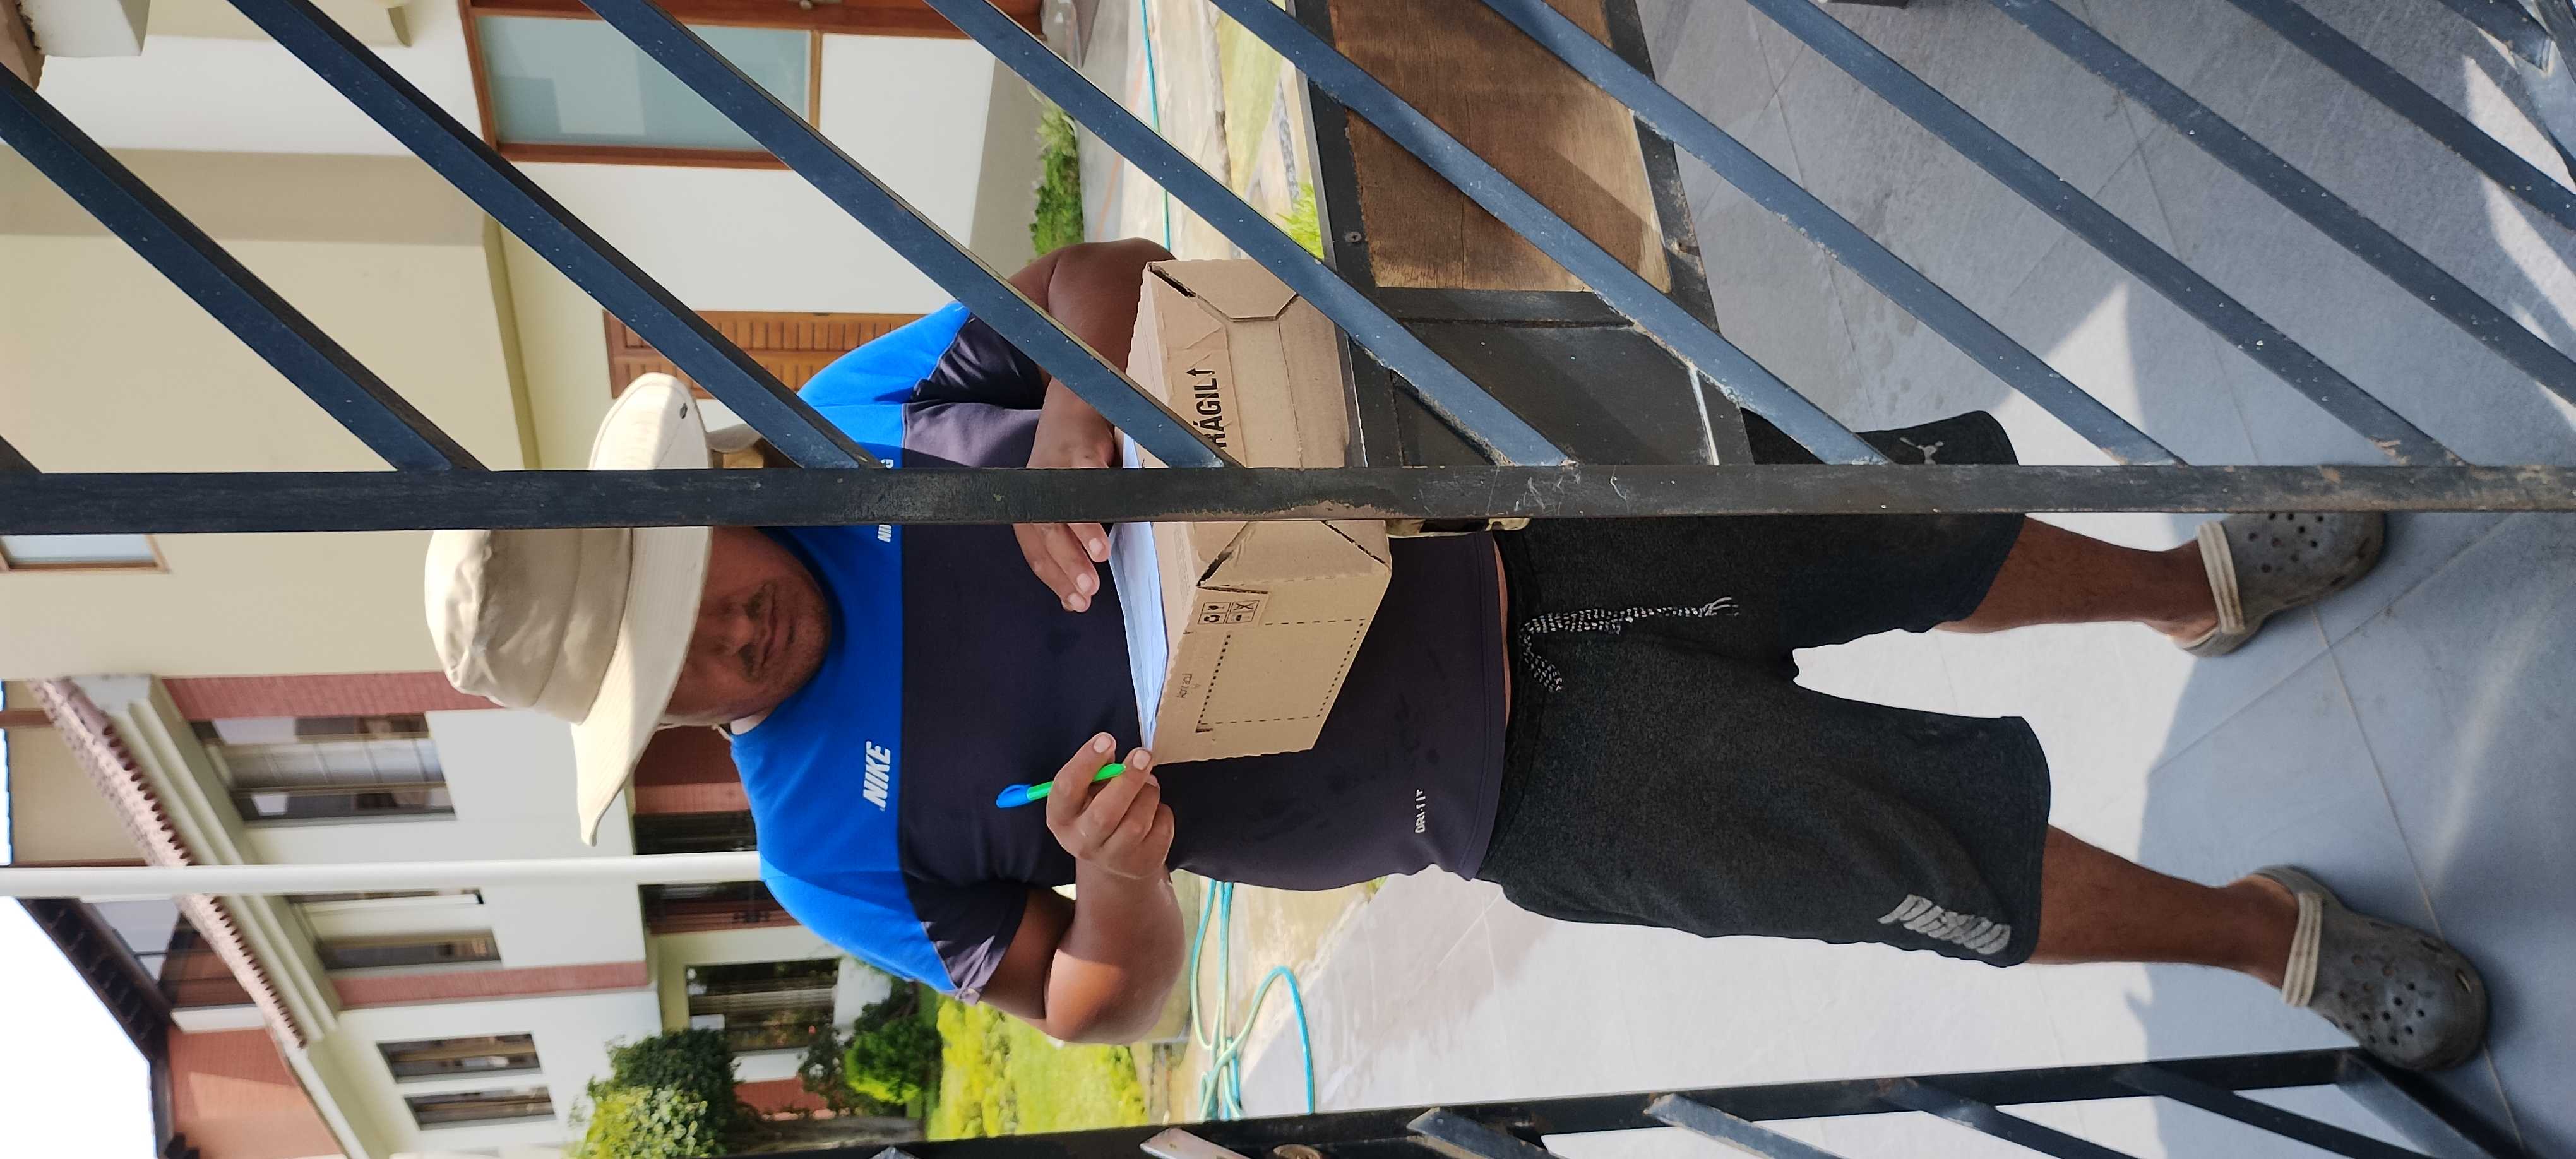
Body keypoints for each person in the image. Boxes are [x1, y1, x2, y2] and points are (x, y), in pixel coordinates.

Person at [424, 240, 2486, 1071]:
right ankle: (2266, 938)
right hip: (1489, 783)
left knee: (1888, 526)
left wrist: (1064, 410)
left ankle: (2184, 585)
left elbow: (1092, 283)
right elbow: (1093, 1007)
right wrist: (1123, 887)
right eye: (675, 671)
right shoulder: (816, 846)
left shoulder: (858, 428)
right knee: (1889, 858)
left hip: (1485, 501)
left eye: (686, 589)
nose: (723, 639)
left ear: (686, 513)